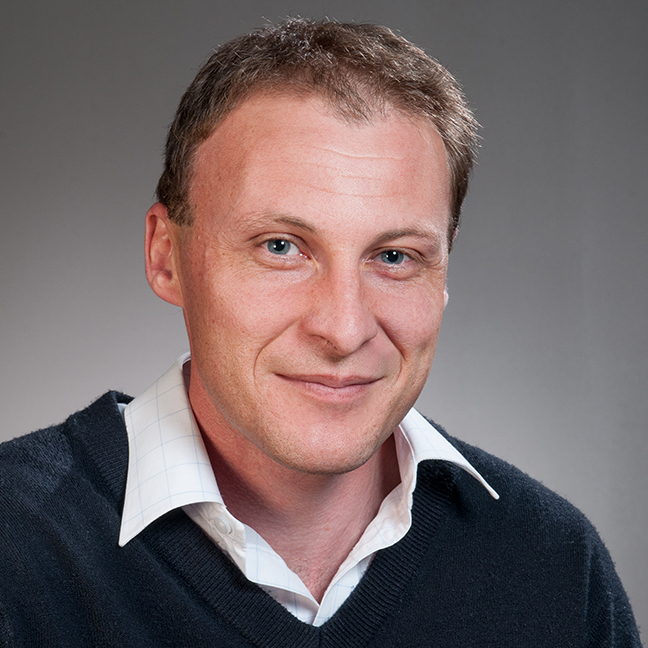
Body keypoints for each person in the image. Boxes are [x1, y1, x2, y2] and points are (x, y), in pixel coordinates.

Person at [0, 18, 641, 647]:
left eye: (394, 257)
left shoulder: (556, 569)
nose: (343, 329)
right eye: (281, 246)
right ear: (166, 256)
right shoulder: (15, 547)